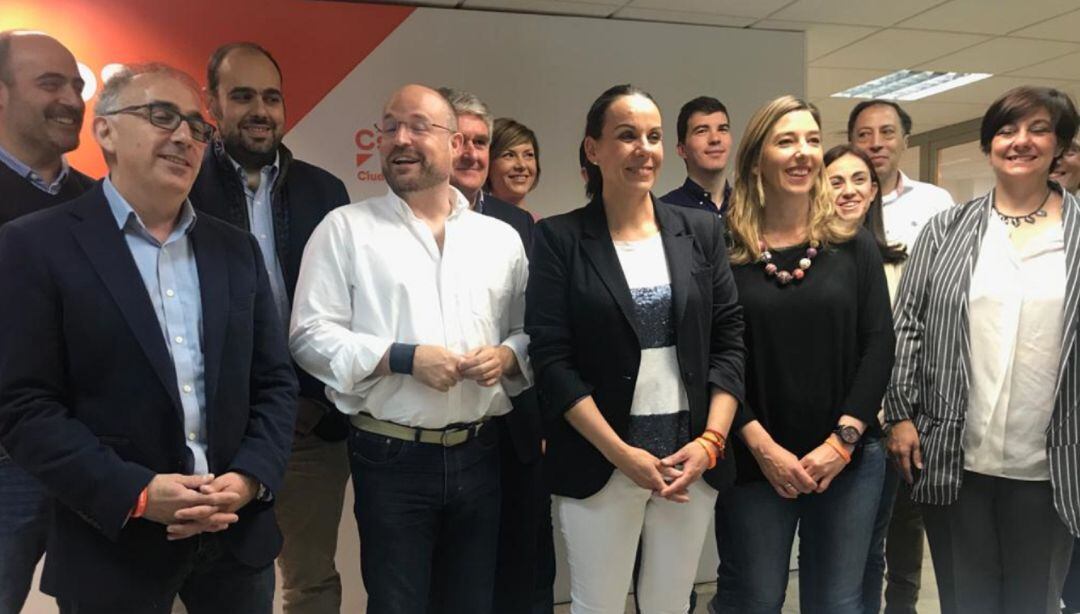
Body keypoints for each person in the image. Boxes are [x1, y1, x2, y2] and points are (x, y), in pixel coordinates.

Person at [0, 62, 298, 613]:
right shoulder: (34, 246)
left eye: (197, 127)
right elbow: (24, 406)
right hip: (113, 544)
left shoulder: (236, 250)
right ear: (106, 130)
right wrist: (135, 493)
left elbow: (275, 382)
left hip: (234, 537)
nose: (184, 136)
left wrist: (250, 477)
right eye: (162, 116)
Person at [289, 84, 530, 614]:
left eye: (418, 126)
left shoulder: (500, 239)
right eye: (390, 126)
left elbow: (527, 331)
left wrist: (508, 356)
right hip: (391, 456)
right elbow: (309, 336)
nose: (400, 138)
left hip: (479, 451)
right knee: (397, 605)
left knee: (472, 604)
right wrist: (403, 358)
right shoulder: (345, 230)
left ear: (453, 143)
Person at [526, 83, 745, 614]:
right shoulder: (559, 239)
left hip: (689, 461)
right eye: (626, 136)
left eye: (653, 136)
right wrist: (620, 454)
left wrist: (711, 442)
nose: (643, 149)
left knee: (668, 604)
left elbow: (729, 341)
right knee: (598, 605)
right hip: (602, 463)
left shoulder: (700, 231)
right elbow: (552, 361)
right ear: (593, 148)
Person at [886, 86, 1080, 614]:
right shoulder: (946, 229)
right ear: (989, 144)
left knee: (1033, 602)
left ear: (1060, 144)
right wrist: (900, 415)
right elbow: (908, 324)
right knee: (964, 600)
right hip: (957, 458)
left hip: (1050, 464)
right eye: (1006, 130)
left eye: (1039, 129)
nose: (1021, 141)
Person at [713, 95, 894, 614]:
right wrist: (761, 446)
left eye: (812, 140)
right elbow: (715, 357)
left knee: (837, 603)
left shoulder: (852, 244)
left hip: (846, 461)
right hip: (754, 461)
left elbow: (879, 344)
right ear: (755, 160)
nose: (803, 152)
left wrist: (843, 441)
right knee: (753, 599)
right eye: (786, 140)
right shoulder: (723, 247)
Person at [187, 42, 351, 614]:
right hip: (215, 433)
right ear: (212, 105)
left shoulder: (326, 193)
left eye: (271, 97)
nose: (260, 110)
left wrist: (319, 400)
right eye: (242, 96)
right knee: (204, 584)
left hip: (309, 425)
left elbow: (348, 310)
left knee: (312, 580)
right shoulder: (184, 186)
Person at [439, 85, 554, 614]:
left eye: (479, 142)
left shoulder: (519, 224)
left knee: (524, 559)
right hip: (446, 429)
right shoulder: (400, 223)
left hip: (516, 421)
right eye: (458, 141)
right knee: (458, 572)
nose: (469, 154)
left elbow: (540, 323)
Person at [0, 30, 96, 614]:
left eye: (77, 86)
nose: (71, 100)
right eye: (50, 84)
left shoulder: (99, 203)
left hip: (93, 456)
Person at [848, 98, 951, 613]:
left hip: (915, 386)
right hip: (855, 390)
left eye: (887, 132)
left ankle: (902, 606)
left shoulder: (935, 204)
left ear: (905, 140)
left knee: (908, 519)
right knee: (861, 526)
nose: (876, 144)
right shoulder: (836, 203)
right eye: (864, 134)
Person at [661, 96, 732, 216]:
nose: (715, 139)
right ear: (682, 150)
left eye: (722, 129)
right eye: (702, 131)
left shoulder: (751, 207)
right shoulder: (665, 212)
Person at [487, 116, 540, 220]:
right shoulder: (476, 223)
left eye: (528, 155)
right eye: (509, 155)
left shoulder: (541, 225)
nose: (522, 165)